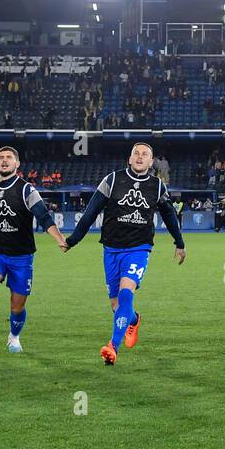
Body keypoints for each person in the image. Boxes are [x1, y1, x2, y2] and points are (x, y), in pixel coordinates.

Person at [61, 142, 186, 366]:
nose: (139, 157)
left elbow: (169, 215)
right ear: (129, 159)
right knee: (116, 306)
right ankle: (134, 320)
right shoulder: (111, 180)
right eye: (136, 154)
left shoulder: (157, 186)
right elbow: (90, 213)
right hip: (111, 249)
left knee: (126, 293)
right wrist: (73, 240)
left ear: (151, 161)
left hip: (139, 248)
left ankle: (112, 347)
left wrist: (179, 242)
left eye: (145, 154)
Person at [0, 147, 66, 356]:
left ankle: (14, 338)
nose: (4, 161)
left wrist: (59, 238)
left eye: (9, 158)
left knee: (16, 307)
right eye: (1, 158)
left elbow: (44, 217)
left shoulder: (27, 190)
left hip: (21, 256)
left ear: (17, 164)